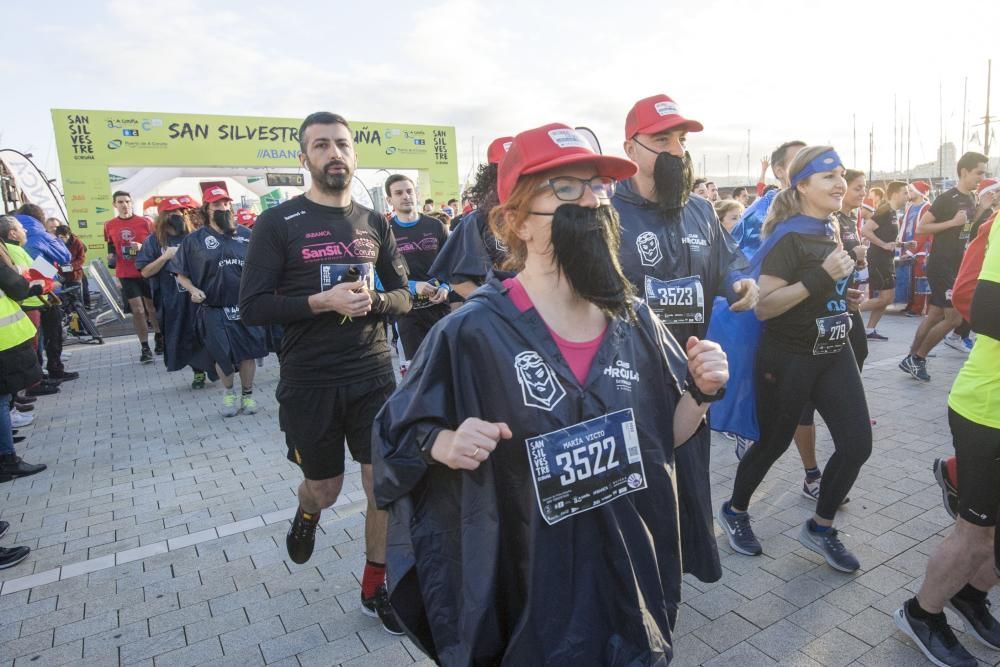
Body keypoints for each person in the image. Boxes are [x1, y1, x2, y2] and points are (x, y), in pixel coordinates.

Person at [374, 122, 728, 665]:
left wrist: (701, 393)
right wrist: (442, 444)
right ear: (516, 221)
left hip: (627, 583)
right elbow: (395, 436)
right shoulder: (471, 334)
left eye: (597, 186)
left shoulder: (632, 318)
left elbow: (665, 435)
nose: (591, 201)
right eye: (566, 188)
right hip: (529, 593)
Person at [240, 112, 411, 634]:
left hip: (373, 374)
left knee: (381, 484)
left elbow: (404, 295)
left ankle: (376, 585)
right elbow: (253, 307)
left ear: (354, 154)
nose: (333, 153)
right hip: (309, 380)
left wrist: (377, 300)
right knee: (327, 487)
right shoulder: (278, 223)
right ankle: (307, 512)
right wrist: (321, 301)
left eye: (341, 144)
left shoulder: (374, 221)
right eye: (321, 145)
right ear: (304, 158)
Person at [614, 93, 756, 584]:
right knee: (633, 488)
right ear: (631, 147)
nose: (676, 149)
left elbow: (727, 262)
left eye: (681, 138)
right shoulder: (606, 211)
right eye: (661, 139)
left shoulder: (700, 210)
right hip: (624, 381)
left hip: (691, 383)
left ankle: (671, 574)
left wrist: (740, 281)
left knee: (686, 485)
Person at [717, 146, 872, 573]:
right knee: (773, 443)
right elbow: (765, 306)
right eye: (829, 177)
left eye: (842, 174)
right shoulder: (788, 235)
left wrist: (845, 297)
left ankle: (820, 527)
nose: (840, 183)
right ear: (802, 184)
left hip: (833, 352)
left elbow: (823, 290)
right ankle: (735, 509)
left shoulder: (831, 226)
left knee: (858, 444)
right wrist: (823, 278)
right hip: (788, 358)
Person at [893, 213, 1000, 667]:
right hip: (988, 410)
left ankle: (971, 597)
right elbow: (988, 309)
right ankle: (921, 613)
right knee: (975, 536)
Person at [171, 186, 266, 416]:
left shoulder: (245, 234)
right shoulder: (194, 240)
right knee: (221, 354)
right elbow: (180, 274)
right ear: (206, 209)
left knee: (248, 352)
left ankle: (248, 395)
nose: (223, 208)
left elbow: (263, 266)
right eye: (216, 205)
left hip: (244, 306)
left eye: (225, 203)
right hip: (213, 308)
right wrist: (193, 290)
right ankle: (229, 393)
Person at [900, 152, 989, 382]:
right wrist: (952, 222)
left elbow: (967, 228)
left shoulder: (970, 198)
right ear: (964, 172)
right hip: (941, 265)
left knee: (935, 315)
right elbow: (921, 228)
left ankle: (910, 357)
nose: (982, 177)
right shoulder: (946, 198)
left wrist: (981, 209)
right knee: (954, 318)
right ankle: (918, 358)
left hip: (955, 264)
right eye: (979, 172)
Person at [136, 196, 215, 389]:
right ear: (162, 217)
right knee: (184, 337)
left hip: (199, 295)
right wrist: (164, 257)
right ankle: (198, 372)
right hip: (172, 299)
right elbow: (145, 271)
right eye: (171, 213)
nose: (176, 216)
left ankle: (215, 368)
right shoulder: (154, 242)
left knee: (208, 333)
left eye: (179, 212)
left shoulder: (196, 236)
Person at [428, 136, 514, 298]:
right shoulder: (477, 220)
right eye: (505, 169)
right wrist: (498, 306)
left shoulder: (548, 212)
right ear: (491, 176)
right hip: (504, 317)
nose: (514, 176)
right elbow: (457, 279)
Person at [385, 174, 450, 363]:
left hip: (439, 310)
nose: (406, 196)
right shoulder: (385, 231)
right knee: (415, 375)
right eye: (399, 193)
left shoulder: (436, 225)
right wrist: (412, 286)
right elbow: (379, 276)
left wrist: (446, 287)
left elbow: (450, 264)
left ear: (417, 194)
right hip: (407, 314)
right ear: (390, 200)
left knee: (447, 368)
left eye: (409, 191)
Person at [0, 236, 48, 483]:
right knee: (2, 398)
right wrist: (20, 274)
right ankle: (7, 457)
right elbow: (15, 285)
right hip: (4, 339)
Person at [15, 206, 77, 383]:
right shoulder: (41, 234)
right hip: (47, 291)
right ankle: (55, 368)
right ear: (40, 218)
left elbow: (28, 263)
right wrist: (52, 276)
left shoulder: (11, 235)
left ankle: (38, 375)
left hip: (23, 293)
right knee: (53, 332)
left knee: (35, 338)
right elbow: (64, 255)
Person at [0, 216, 59, 401]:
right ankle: (32, 385)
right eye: (21, 228)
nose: (25, 231)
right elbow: (39, 272)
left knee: (35, 346)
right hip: (28, 302)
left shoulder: (16, 248)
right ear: (12, 233)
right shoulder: (14, 249)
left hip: (31, 301)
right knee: (32, 348)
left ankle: (32, 384)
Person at [944, 177, 1000, 353]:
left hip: (978, 281)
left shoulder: (990, 213)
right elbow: (971, 233)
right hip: (975, 273)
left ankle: (961, 335)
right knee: (948, 314)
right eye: (996, 191)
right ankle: (956, 336)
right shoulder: (986, 214)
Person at [104, 191, 160, 362]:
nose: (124, 205)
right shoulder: (109, 225)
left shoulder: (145, 222)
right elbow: (111, 246)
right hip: (126, 272)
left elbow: (156, 246)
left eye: (127, 201)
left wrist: (142, 245)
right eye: (120, 202)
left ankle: (159, 336)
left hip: (146, 270)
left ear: (131, 203)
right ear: (115, 204)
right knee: (138, 310)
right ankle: (144, 347)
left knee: (152, 308)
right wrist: (111, 257)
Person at [732, 141, 807, 257]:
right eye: (799, 161)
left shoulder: (824, 209)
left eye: (810, 161)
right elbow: (739, 263)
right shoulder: (758, 215)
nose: (808, 168)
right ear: (779, 171)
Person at [859, 181, 911, 340]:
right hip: (879, 259)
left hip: (886, 259)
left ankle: (869, 330)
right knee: (885, 298)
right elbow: (865, 230)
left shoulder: (893, 212)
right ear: (895, 194)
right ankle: (851, 309)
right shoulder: (884, 210)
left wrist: (903, 245)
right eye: (905, 193)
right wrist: (883, 245)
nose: (907, 197)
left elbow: (887, 238)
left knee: (886, 298)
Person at [898, 181, 932, 316]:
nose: (909, 194)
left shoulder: (927, 207)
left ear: (919, 192)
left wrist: (913, 250)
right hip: (910, 246)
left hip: (922, 248)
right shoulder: (910, 207)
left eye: (911, 191)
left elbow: (924, 232)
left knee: (920, 279)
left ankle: (918, 308)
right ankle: (911, 304)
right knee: (910, 279)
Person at [55, 225, 89, 309]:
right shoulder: (55, 243)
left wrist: (71, 267)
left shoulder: (77, 242)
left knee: (76, 297)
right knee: (63, 298)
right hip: (60, 275)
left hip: (75, 275)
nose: (63, 239)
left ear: (69, 235)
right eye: (60, 237)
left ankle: (81, 313)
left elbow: (81, 259)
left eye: (65, 237)